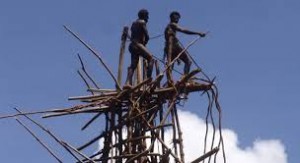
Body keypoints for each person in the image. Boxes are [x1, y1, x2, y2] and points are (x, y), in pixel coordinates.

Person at [164, 11, 206, 84]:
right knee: (186, 62)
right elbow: (183, 30)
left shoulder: (169, 27)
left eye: (178, 18)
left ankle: (174, 80)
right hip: (173, 46)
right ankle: (182, 78)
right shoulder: (172, 25)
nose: (177, 19)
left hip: (171, 47)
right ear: (172, 18)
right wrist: (198, 33)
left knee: (172, 66)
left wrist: (177, 59)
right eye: (176, 17)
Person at [125, 9, 154, 87]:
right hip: (138, 45)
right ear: (144, 15)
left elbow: (132, 36)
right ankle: (148, 79)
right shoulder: (142, 22)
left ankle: (128, 83)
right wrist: (144, 44)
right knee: (151, 59)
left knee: (133, 65)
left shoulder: (133, 23)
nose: (148, 17)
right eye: (147, 15)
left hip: (132, 46)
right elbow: (147, 36)